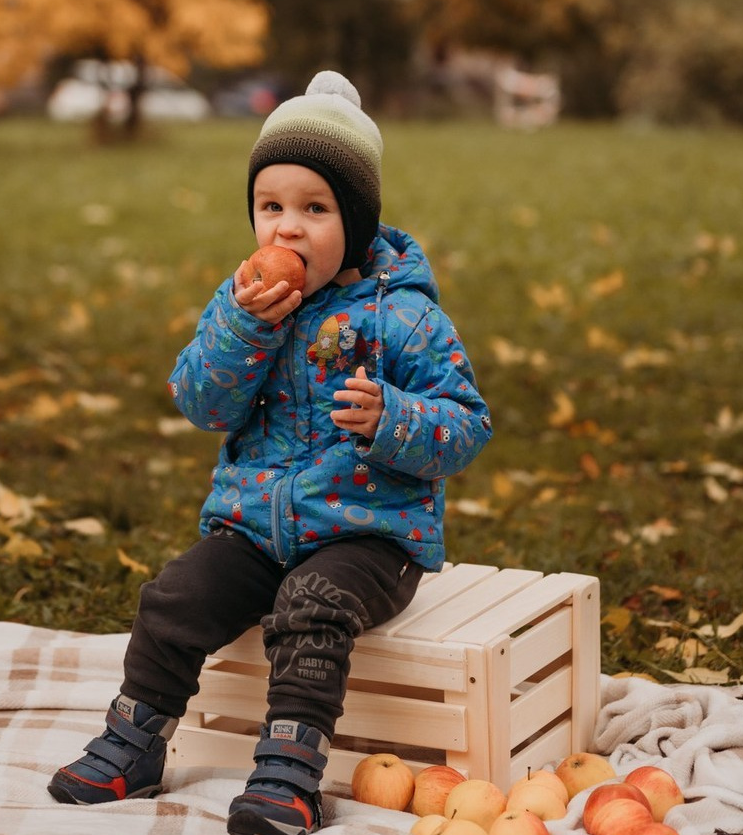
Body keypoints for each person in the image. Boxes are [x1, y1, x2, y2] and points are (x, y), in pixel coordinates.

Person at [49, 71, 493, 835]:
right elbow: (201, 401)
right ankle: (135, 740)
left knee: (311, 606)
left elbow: (466, 425)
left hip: (371, 534)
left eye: (315, 209)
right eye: (271, 207)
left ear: (355, 221)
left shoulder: (406, 318)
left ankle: (289, 772)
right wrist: (245, 330)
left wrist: (393, 418)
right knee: (174, 598)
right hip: (258, 526)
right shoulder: (245, 303)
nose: (287, 229)